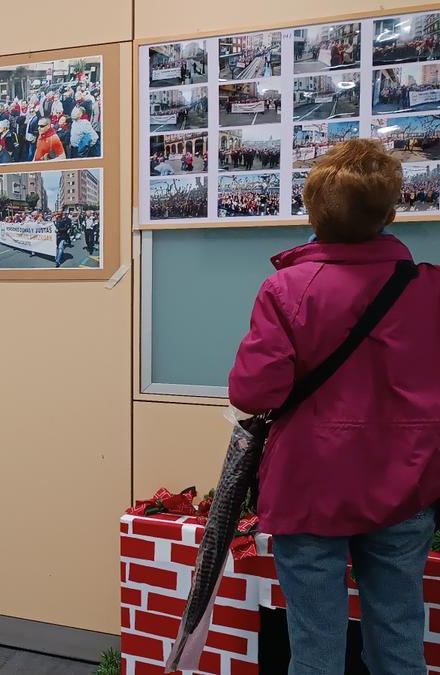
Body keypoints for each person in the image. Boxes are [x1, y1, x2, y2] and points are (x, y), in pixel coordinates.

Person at [229, 139, 440, 674]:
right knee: (398, 638)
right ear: (392, 213)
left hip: (310, 487)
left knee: (315, 644)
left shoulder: (286, 290)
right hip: (406, 485)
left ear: (311, 209)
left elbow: (253, 393)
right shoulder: (430, 291)